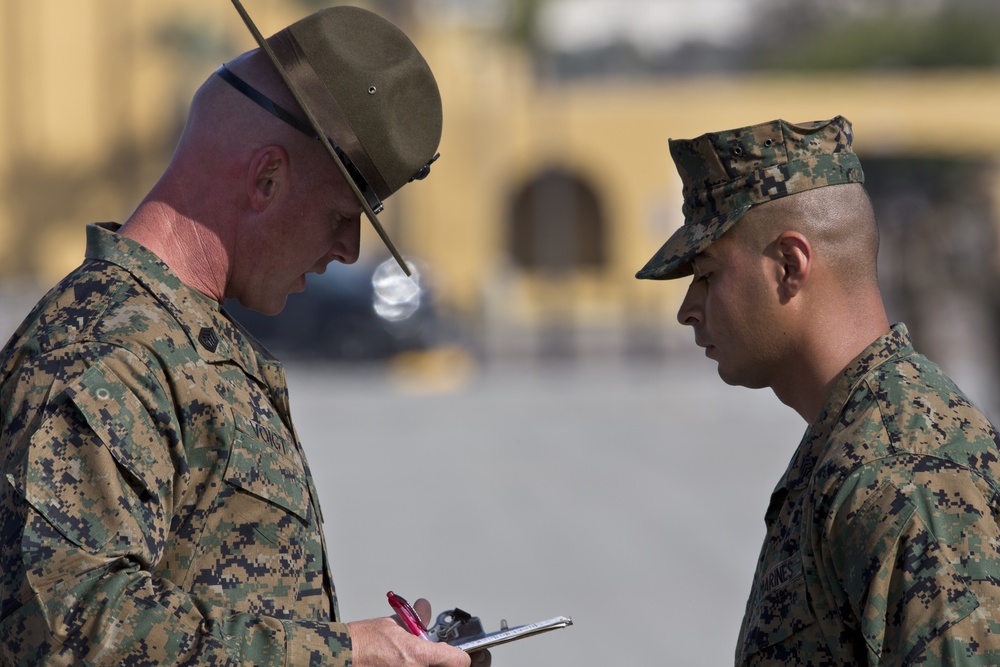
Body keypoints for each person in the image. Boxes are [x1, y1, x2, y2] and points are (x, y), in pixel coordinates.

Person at [0, 5, 487, 667]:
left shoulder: (183, 338)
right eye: (342, 216)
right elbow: (70, 630)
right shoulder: (106, 352)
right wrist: (336, 655)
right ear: (265, 179)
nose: (347, 249)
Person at [636, 116, 1000, 665]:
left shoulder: (904, 473)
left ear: (789, 265)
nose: (688, 309)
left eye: (708, 274)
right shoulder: (853, 439)